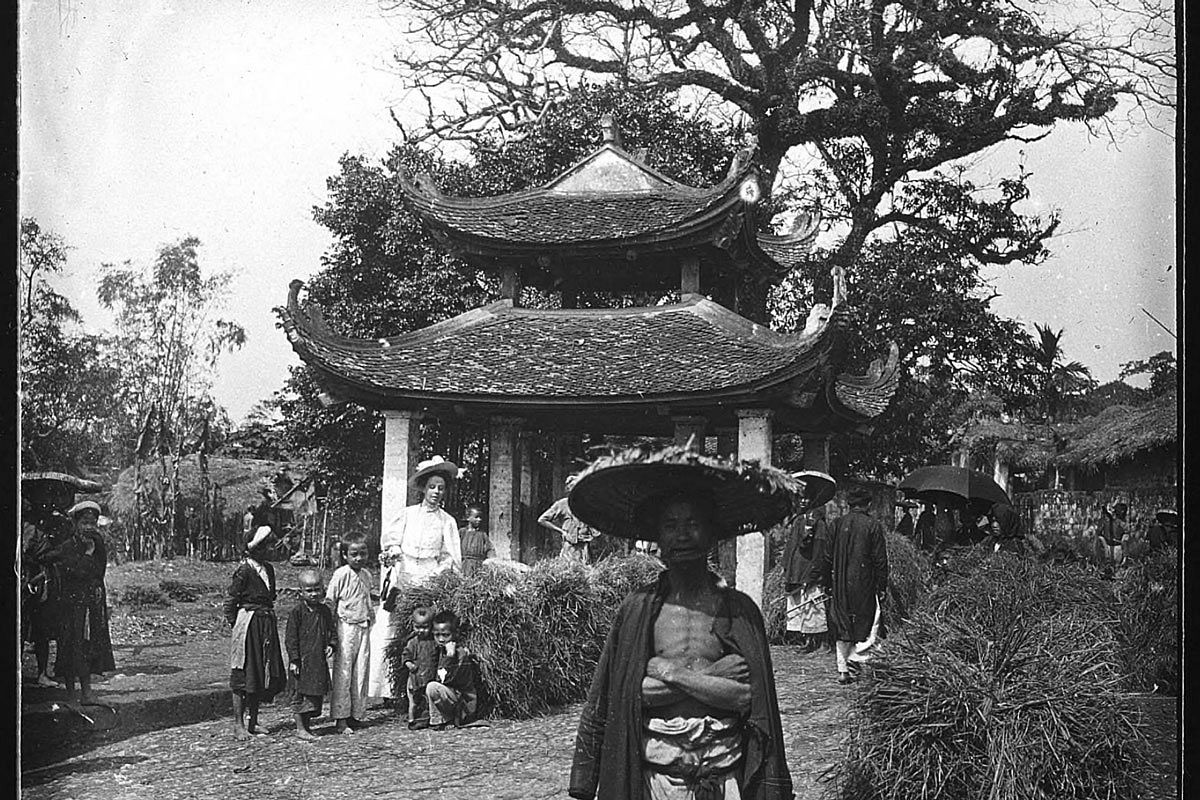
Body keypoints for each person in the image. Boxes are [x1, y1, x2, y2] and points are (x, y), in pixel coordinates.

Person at [567, 446, 796, 800]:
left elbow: (749, 698)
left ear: (711, 534)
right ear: (658, 538)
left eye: (693, 524)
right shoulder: (638, 609)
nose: (683, 535)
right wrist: (714, 679)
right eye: (671, 526)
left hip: (724, 779)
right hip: (656, 781)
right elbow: (623, 695)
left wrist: (668, 673)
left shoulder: (740, 611)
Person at [45, 501, 117, 706]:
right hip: (71, 604)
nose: (89, 526)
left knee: (87, 646)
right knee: (70, 645)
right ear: (76, 523)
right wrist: (86, 554)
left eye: (92, 522)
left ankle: (86, 693)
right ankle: (71, 695)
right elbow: (76, 572)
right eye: (84, 522)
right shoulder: (68, 546)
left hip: (91, 604)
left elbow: (99, 571)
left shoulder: (97, 542)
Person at [820, 486, 889, 685]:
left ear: (849, 505)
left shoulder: (836, 524)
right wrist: (881, 585)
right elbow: (880, 560)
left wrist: (827, 583)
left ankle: (843, 670)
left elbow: (826, 557)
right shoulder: (872, 526)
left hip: (840, 582)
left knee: (842, 624)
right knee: (867, 623)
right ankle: (856, 661)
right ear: (868, 505)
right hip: (864, 582)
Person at [223, 524, 287, 738]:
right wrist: (239, 627)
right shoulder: (244, 570)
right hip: (248, 623)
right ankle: (238, 725)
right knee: (243, 673)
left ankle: (254, 721)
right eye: (267, 546)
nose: (271, 550)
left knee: (260, 672)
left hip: (265, 623)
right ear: (256, 548)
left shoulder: (268, 569)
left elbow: (270, 598)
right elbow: (230, 601)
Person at [380, 456, 462, 583]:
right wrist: (393, 552)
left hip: (430, 575)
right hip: (404, 571)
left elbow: (448, 555)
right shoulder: (407, 514)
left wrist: (435, 575)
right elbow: (392, 541)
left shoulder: (447, 521)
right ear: (424, 488)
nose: (436, 492)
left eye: (440, 488)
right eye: (432, 487)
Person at [326, 531, 375, 734]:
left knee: (361, 671)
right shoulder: (341, 574)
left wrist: (371, 617)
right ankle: (341, 718)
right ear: (345, 555)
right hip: (345, 628)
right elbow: (330, 601)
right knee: (343, 672)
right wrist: (330, 633)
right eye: (354, 554)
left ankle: (356, 714)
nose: (359, 558)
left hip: (362, 626)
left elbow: (367, 600)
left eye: (363, 553)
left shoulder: (367, 575)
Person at [22, 498, 71, 688]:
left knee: (42, 629)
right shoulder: (29, 529)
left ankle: (42, 673)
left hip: (47, 583)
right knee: (25, 627)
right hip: (30, 581)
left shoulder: (56, 525)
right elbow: (26, 554)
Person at [285, 569, 336, 741]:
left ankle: (307, 726)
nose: (314, 594)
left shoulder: (325, 611)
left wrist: (331, 644)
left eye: (317, 589)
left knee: (313, 695)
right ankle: (300, 728)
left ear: (323, 589)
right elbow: (290, 638)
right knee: (300, 694)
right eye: (309, 590)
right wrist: (294, 659)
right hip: (302, 661)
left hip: (317, 660)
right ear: (301, 592)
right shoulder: (297, 613)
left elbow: (332, 631)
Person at [782, 503, 833, 653]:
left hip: (809, 569)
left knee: (814, 605)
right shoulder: (799, 520)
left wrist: (815, 573)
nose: (802, 503)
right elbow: (791, 545)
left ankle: (822, 642)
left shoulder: (819, 524)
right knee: (803, 606)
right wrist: (787, 567)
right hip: (797, 569)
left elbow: (819, 550)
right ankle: (809, 641)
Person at [424, 610, 480, 730]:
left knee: (432, 687)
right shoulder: (438, 650)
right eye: (437, 635)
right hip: (450, 696)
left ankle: (442, 720)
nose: (441, 639)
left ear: (455, 634)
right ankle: (440, 719)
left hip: (462, 701)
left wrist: (449, 656)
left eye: (445, 635)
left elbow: (444, 679)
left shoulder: (459, 654)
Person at [538, 475, 599, 562]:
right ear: (569, 490)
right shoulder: (562, 504)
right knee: (568, 571)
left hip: (585, 548)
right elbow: (542, 520)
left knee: (586, 572)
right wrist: (561, 531)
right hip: (569, 548)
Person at [403, 606, 438, 729]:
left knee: (427, 700)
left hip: (429, 676)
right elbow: (406, 655)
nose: (421, 630)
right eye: (418, 627)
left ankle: (428, 719)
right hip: (415, 678)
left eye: (425, 627)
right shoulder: (412, 642)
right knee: (413, 700)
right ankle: (412, 719)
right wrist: (409, 664)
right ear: (413, 625)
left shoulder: (434, 642)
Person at [458, 504, 496, 578]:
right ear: (468, 518)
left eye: (480, 517)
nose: (479, 519)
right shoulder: (461, 532)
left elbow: (490, 549)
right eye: (476, 517)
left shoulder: (482, 534)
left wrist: (490, 561)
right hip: (463, 565)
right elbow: (454, 547)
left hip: (478, 567)